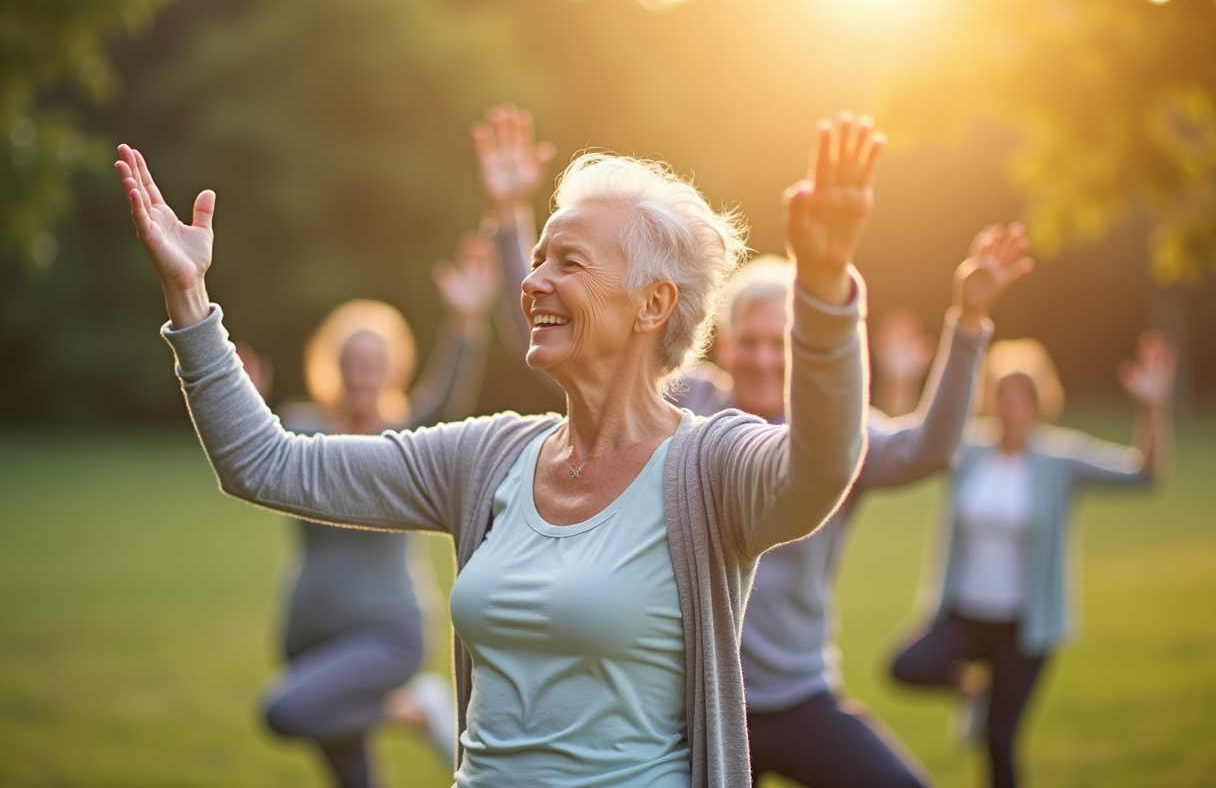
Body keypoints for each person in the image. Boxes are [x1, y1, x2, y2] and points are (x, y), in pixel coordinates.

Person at [114, 108, 881, 787]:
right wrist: (190, 297)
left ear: (653, 304)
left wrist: (823, 295)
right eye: (538, 258)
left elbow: (819, 469)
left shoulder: (711, 469)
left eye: (568, 263)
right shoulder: (486, 460)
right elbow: (266, 463)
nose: (533, 282)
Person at [472, 106, 1037, 788]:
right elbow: (552, 326)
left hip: (796, 698)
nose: (768, 357)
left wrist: (969, 322)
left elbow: (929, 450)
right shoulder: (683, 408)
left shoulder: (829, 438)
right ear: (727, 344)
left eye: (783, 340)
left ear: (803, 347)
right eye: (753, 341)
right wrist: (509, 217)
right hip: (690, 704)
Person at [235, 234, 498, 788]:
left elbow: (448, 400)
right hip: (305, 634)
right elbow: (252, 456)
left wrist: (465, 323)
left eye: (373, 362)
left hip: (385, 636)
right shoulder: (301, 430)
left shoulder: (403, 439)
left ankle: (415, 708)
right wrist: (238, 401)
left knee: (284, 713)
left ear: (391, 369)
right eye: (351, 361)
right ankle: (408, 711)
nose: (361, 372)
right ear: (333, 365)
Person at [889, 330, 1176, 788]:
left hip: (1024, 628)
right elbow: (905, 445)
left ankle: (990, 710)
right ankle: (973, 689)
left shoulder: (1059, 459)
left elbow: (1145, 474)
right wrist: (901, 381)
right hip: (964, 615)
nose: (1012, 405)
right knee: (904, 666)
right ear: (991, 398)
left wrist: (1153, 407)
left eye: (1023, 395)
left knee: (999, 740)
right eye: (1004, 393)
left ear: (1041, 400)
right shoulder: (970, 450)